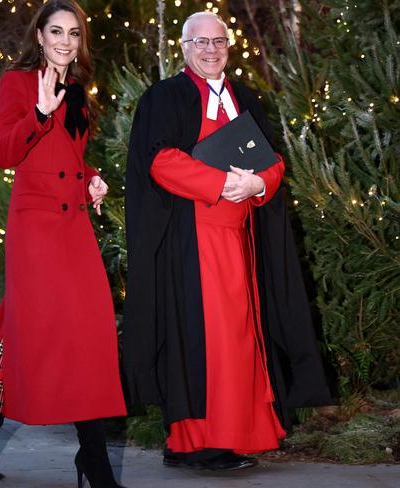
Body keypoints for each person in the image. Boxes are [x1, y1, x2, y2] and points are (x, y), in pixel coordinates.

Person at [123, 11, 332, 471]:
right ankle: (205, 442)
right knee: (209, 341)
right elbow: (160, 161)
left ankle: (219, 438)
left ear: (228, 47)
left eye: (219, 41)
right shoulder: (166, 96)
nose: (211, 50)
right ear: (184, 47)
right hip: (194, 241)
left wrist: (257, 185)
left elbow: (272, 160)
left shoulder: (246, 97)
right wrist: (221, 183)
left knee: (241, 338)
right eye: (201, 42)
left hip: (243, 239)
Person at [0, 1, 127, 487]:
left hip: (73, 226)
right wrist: (37, 110)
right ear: (39, 36)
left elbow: (68, 157)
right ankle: (94, 461)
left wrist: (92, 178)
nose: (65, 41)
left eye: (74, 33)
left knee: (75, 334)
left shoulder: (78, 87)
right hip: (36, 231)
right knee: (60, 334)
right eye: (56, 31)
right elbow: (4, 152)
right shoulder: (18, 82)